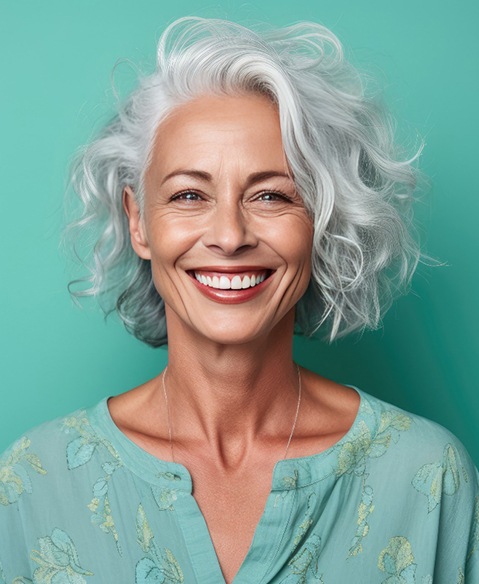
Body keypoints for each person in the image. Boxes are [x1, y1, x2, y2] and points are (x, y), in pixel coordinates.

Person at [0, 16, 477, 584]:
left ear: (319, 223)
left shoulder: (427, 476)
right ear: (138, 221)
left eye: (272, 195)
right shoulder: (37, 482)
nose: (229, 236)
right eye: (189, 194)